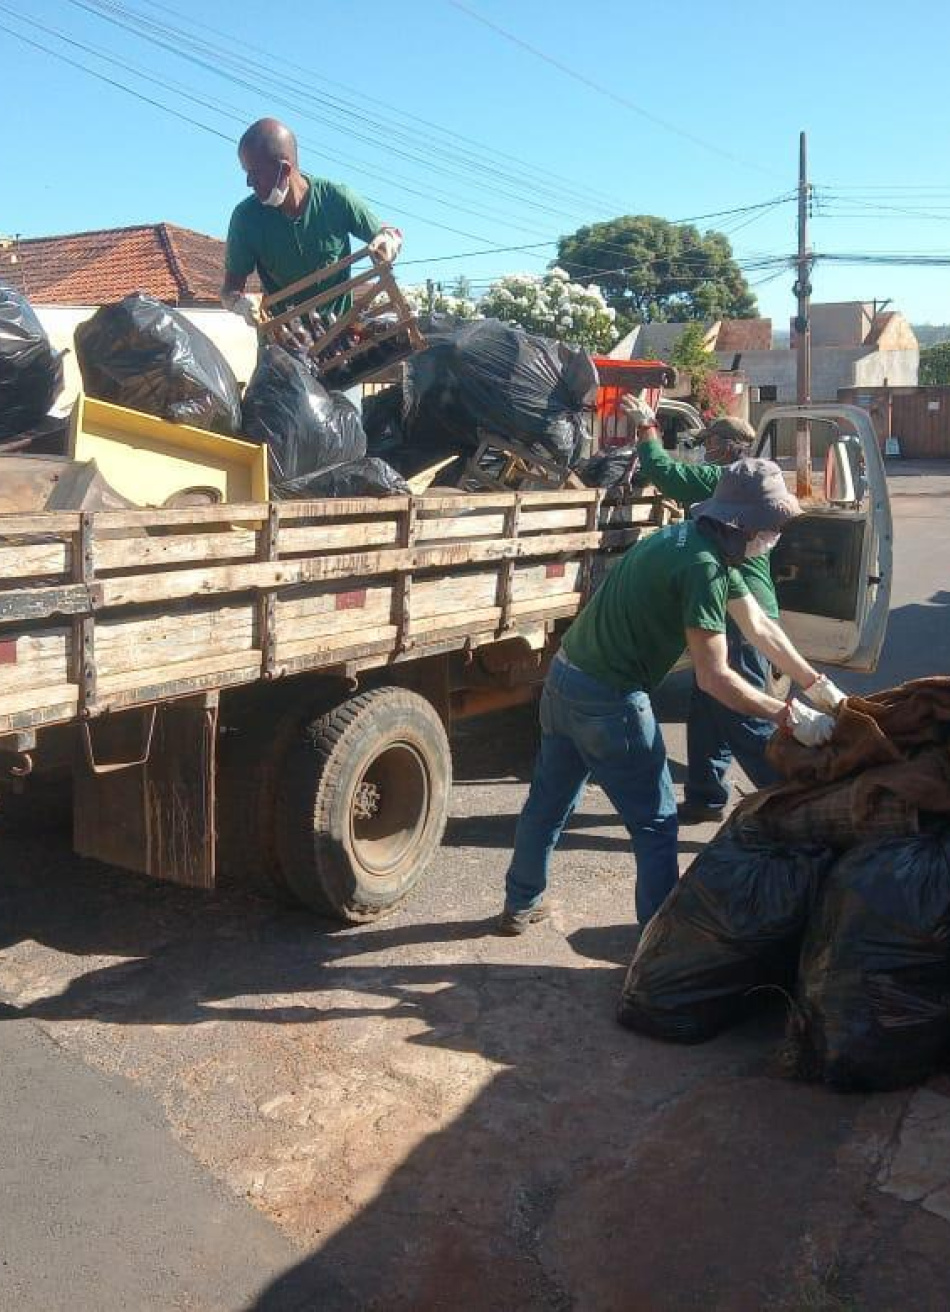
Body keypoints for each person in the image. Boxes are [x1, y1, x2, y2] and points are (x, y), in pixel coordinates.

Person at [498, 455, 845, 935]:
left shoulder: (699, 538)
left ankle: (520, 902)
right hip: (609, 699)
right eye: (770, 527)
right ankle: (658, 942)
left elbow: (759, 626)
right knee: (657, 823)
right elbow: (715, 678)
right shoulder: (704, 567)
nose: (774, 537)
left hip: (563, 682)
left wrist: (816, 686)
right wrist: (789, 716)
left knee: (548, 803)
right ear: (745, 524)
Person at [630, 402, 780, 824]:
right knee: (707, 707)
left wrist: (646, 427)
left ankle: (790, 795)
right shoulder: (756, 482)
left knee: (740, 711)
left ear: (731, 448)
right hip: (744, 607)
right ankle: (706, 797)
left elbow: (668, 474)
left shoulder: (725, 481)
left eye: (711, 444)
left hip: (737, 611)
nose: (705, 451)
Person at [221, 117, 403, 325]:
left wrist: (389, 242)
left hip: (341, 336)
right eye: (247, 174)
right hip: (285, 345)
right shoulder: (246, 218)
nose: (249, 183)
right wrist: (239, 303)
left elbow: (387, 234)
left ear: (285, 169)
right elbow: (229, 290)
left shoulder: (336, 198)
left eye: (256, 174)